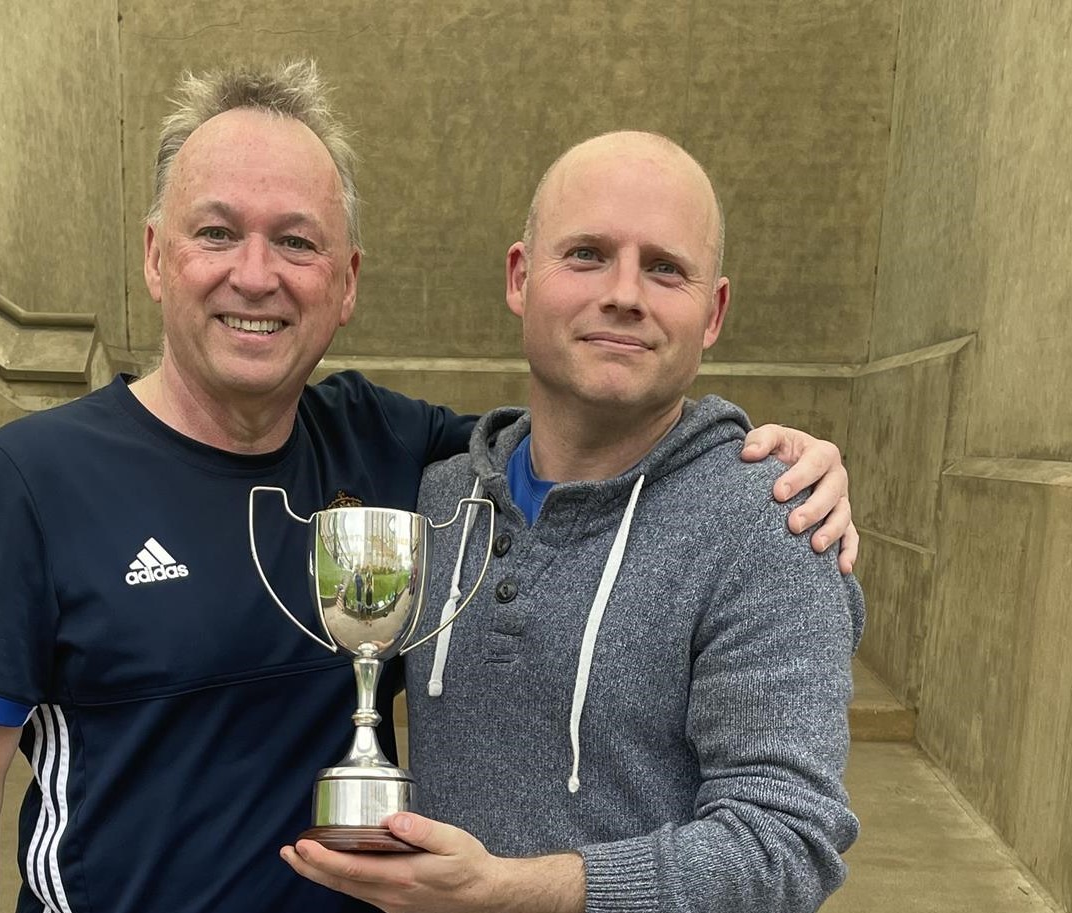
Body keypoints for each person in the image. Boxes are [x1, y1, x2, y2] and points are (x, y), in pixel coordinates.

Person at [0, 61, 854, 913]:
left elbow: (584, 430)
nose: (256, 273)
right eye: (215, 232)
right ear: (157, 255)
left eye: (297, 242)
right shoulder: (28, 483)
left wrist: (773, 456)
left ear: (346, 280)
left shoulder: (397, 454)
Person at [282, 131, 864, 913]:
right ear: (521, 277)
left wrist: (510, 893)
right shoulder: (439, 501)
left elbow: (782, 843)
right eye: (586, 253)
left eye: (664, 267)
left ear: (713, 311)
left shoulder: (773, 527)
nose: (624, 292)